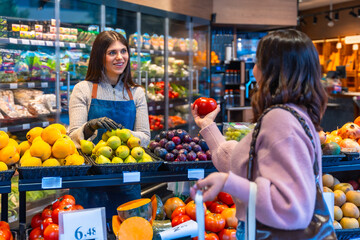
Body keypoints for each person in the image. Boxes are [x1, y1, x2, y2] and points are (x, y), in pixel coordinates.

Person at [190, 29, 328, 236]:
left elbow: (292, 207)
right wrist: (208, 127)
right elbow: (252, 166)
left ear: (273, 69)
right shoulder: (298, 114)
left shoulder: (280, 119)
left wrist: (228, 182)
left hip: (264, 229)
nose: (253, 70)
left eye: (257, 61)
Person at [68, 30, 150, 218]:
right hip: (89, 181)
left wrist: (123, 135)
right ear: (99, 57)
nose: (120, 57)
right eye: (112, 52)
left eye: (123, 51)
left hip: (126, 180)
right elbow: (73, 138)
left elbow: (145, 137)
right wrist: (89, 127)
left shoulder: (136, 93)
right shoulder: (83, 90)